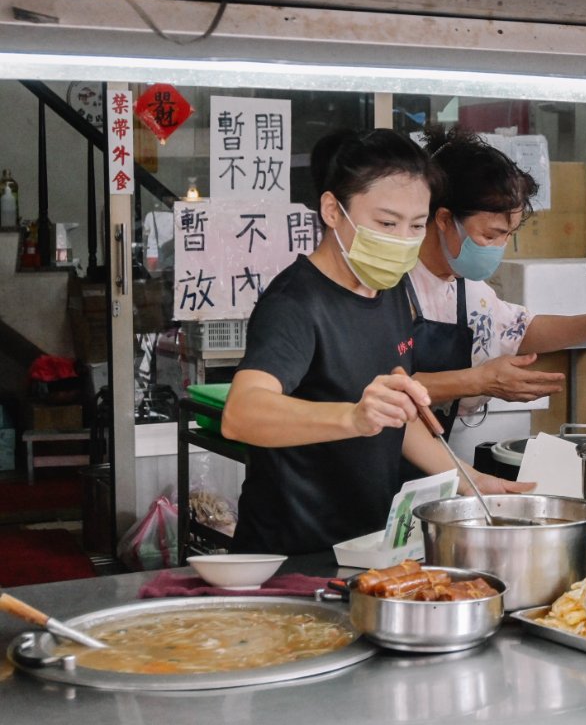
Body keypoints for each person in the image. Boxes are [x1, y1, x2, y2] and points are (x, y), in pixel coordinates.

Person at [221, 129, 531, 555]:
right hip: (292, 557)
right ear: (333, 210)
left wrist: (469, 482)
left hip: (365, 549)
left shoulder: (388, 290)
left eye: (416, 225)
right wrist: (353, 418)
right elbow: (241, 413)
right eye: (386, 223)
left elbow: (398, 418)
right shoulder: (295, 304)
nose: (403, 239)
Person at [405, 125, 586, 434]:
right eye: (490, 235)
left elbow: (519, 330)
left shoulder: (469, 286)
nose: (499, 247)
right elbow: (381, 386)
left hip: (441, 442)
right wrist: (480, 380)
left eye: (508, 236)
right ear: (444, 219)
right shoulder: (393, 283)